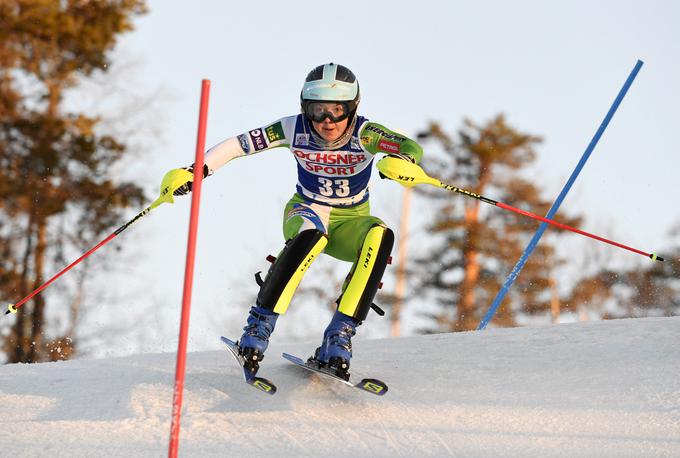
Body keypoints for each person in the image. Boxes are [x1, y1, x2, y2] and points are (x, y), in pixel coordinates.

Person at [161, 63, 423, 380]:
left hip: (351, 221)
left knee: (382, 235)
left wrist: (404, 161)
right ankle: (258, 327)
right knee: (313, 234)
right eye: (317, 111)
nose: (327, 122)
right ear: (304, 107)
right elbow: (236, 145)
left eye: (337, 111)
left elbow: (409, 146)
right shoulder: (291, 128)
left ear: (352, 109)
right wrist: (195, 171)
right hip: (306, 210)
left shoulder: (366, 134)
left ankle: (338, 337)